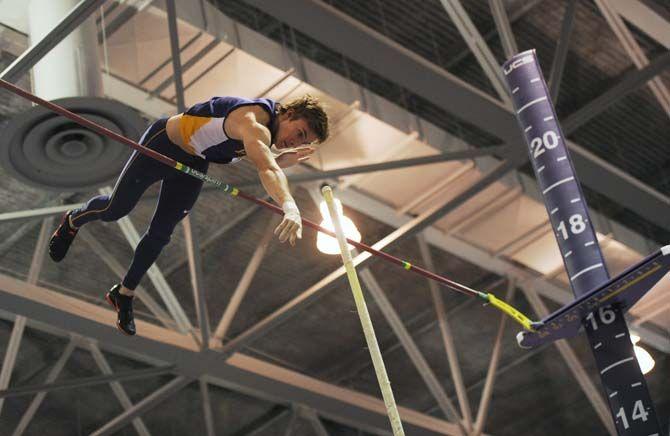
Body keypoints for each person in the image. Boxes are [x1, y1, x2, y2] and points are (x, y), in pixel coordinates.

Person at [48, 95, 329, 336]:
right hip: (164, 144)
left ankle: (123, 294)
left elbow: (256, 158)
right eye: (300, 133)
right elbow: (265, 168)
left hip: (194, 161)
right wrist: (289, 204)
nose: (294, 142)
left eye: (302, 142)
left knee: (162, 233)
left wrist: (282, 161)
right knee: (114, 210)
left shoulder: (263, 135)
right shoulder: (253, 122)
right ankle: (73, 220)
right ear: (289, 114)